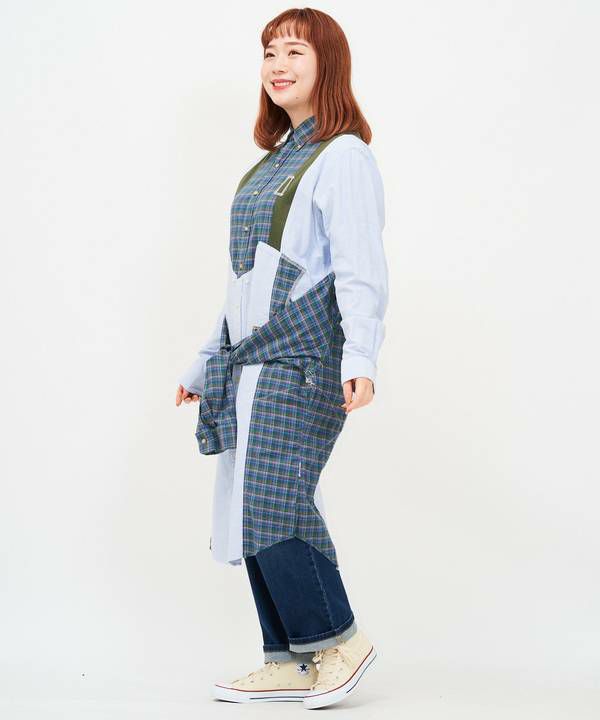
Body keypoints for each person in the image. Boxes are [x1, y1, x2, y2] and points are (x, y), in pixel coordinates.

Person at [175, 7, 389, 709]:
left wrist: (362, 355)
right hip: (254, 363)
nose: (277, 65)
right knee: (251, 503)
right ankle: (291, 659)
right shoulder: (273, 162)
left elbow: (359, 266)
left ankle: (339, 642)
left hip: (304, 358)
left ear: (329, 63)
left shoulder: (343, 155)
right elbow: (244, 279)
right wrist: (206, 360)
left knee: (277, 499)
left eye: (294, 51)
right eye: (269, 52)